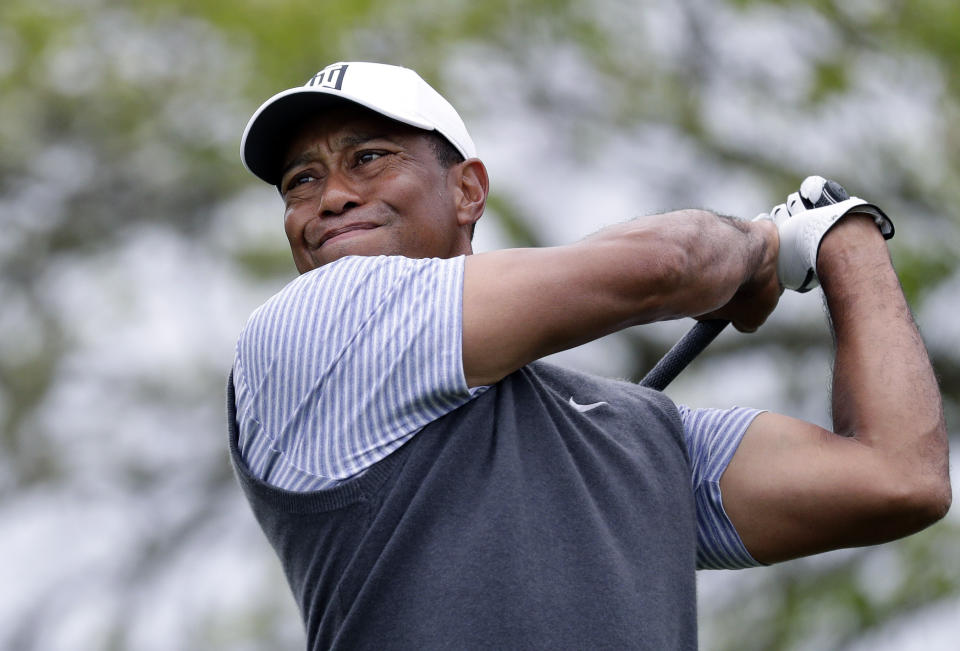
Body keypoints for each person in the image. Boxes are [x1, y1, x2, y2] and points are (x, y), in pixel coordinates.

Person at [228, 61, 951, 650]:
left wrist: (848, 240)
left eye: (369, 158)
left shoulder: (634, 429)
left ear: (467, 189)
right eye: (302, 180)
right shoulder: (306, 333)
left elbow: (900, 477)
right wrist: (761, 246)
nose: (330, 196)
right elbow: (669, 264)